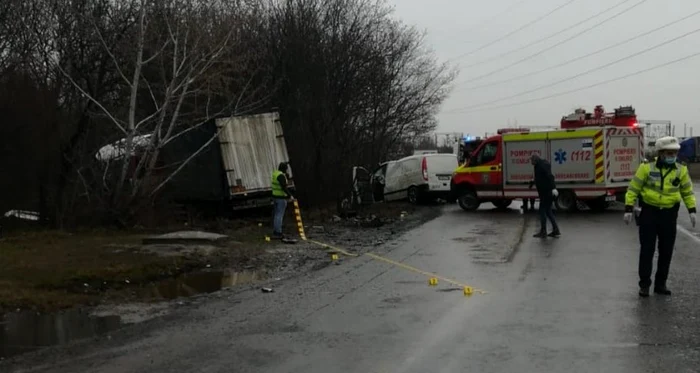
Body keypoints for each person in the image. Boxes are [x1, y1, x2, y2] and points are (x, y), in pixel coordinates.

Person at [623, 136, 696, 297]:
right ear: (660, 153)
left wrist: (692, 210)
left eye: (674, 153)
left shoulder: (681, 169)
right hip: (649, 212)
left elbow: (687, 191)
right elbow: (633, 188)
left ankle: (660, 284)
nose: (672, 156)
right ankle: (644, 285)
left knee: (666, 251)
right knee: (647, 250)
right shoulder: (646, 168)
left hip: (669, 214)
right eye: (669, 153)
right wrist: (628, 208)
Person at [529, 154, 560, 238]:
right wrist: (533, 182)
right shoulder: (539, 165)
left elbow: (550, 176)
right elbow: (540, 177)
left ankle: (543, 231)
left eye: (531, 160)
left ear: (535, 160)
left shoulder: (542, 165)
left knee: (542, 211)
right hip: (545, 192)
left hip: (546, 193)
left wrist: (554, 188)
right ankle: (556, 230)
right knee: (548, 211)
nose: (531, 162)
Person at [271, 162, 295, 239]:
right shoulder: (281, 176)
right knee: (279, 215)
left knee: (276, 215)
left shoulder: (275, 173)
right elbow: (284, 187)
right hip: (281, 198)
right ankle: (278, 232)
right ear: (284, 169)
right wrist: (290, 196)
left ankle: (276, 231)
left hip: (275, 197)